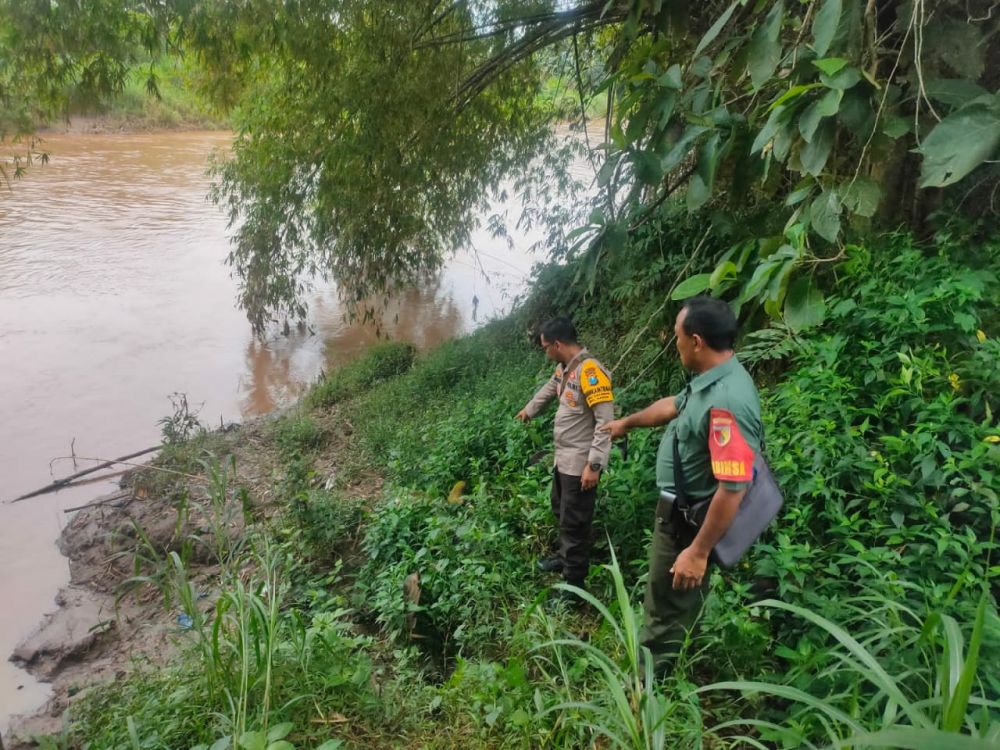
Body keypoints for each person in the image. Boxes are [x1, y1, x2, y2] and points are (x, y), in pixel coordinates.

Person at [602, 297, 762, 674]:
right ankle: (678, 654)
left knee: (663, 606)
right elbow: (673, 406)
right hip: (683, 513)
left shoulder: (725, 402)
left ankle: (649, 692)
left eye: (676, 337)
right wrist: (626, 423)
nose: (673, 345)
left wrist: (698, 552)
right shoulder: (711, 380)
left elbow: (733, 487)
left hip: (691, 524)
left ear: (696, 341)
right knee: (678, 603)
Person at [516, 317, 614, 598]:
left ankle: (574, 586)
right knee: (561, 510)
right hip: (564, 459)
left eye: (546, 347)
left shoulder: (590, 372)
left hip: (581, 463)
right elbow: (548, 389)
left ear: (557, 345)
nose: (545, 353)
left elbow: (605, 422)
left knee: (574, 521)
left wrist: (594, 465)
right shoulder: (565, 369)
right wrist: (529, 410)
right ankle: (564, 557)